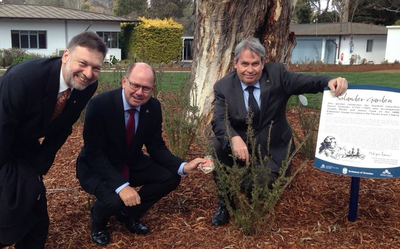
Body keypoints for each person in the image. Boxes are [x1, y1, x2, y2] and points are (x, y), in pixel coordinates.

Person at [210, 37, 348, 226]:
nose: (250, 69)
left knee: (252, 188)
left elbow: (308, 82)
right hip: (244, 148)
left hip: (274, 147)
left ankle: (256, 180)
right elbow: (218, 120)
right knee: (217, 145)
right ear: (235, 63)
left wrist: (330, 80)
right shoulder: (223, 87)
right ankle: (224, 204)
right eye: (244, 64)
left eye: (255, 64)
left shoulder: (278, 75)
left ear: (263, 63)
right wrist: (233, 137)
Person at [76, 62, 205, 246]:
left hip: (130, 162)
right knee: (114, 200)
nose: (139, 92)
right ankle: (98, 221)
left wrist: (183, 166)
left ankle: (128, 214)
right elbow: (94, 152)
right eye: (135, 85)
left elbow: (156, 146)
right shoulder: (100, 105)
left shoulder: (152, 107)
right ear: (124, 82)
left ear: (153, 88)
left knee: (171, 177)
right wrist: (122, 186)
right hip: (96, 166)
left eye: (146, 88)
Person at [0, 31, 107, 248]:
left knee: (35, 202)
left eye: (96, 67)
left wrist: (40, 166)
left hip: (25, 142)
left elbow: (63, 126)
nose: (88, 73)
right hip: (2, 136)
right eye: (83, 63)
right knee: (10, 202)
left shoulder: (86, 86)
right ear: (66, 55)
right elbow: (3, 126)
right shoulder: (23, 79)